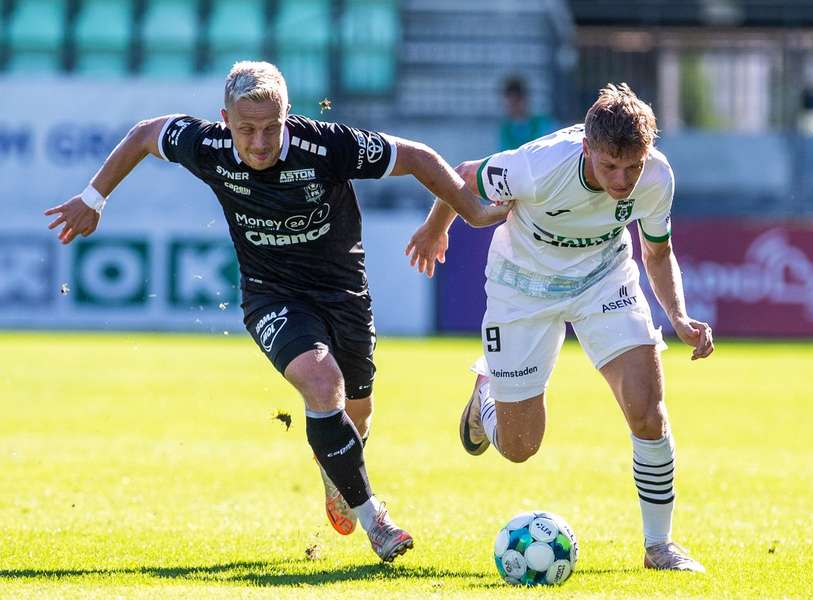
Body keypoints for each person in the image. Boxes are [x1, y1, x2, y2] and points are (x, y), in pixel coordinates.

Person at [44, 61, 508, 563]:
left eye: (271, 128)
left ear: (288, 116)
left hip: (343, 293)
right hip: (271, 294)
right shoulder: (208, 145)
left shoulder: (328, 146)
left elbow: (416, 156)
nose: (259, 143)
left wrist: (469, 212)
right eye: (246, 130)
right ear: (225, 120)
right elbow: (144, 134)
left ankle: (337, 473)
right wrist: (94, 197)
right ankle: (377, 520)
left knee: (358, 413)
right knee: (320, 380)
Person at [406, 83, 714, 572]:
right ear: (587, 147)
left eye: (632, 166)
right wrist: (436, 227)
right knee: (521, 447)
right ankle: (484, 397)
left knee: (648, 410)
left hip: (603, 280)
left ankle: (660, 546)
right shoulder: (540, 165)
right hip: (521, 286)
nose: (622, 179)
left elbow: (657, 252)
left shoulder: (656, 177)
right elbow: (464, 176)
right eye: (610, 166)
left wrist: (677, 315)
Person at [498, 76, 557, 152]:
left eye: (516, 102)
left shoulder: (544, 123)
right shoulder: (505, 128)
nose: (513, 107)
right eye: (510, 103)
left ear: (525, 99)